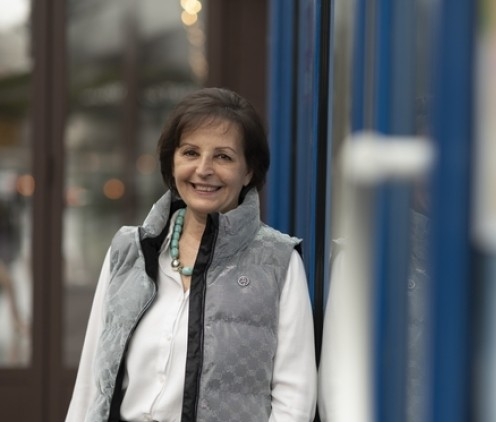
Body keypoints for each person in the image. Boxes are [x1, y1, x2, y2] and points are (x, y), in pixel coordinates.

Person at [66, 88, 317, 422]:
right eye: (190, 152)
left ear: (249, 172)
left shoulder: (279, 262)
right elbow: (92, 380)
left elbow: (294, 401)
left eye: (223, 157)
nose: (204, 169)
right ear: (173, 162)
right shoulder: (130, 250)